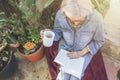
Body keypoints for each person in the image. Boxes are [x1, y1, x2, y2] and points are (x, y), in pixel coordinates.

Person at [40, 0, 108, 80]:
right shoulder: (60, 15)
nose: (75, 24)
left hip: (83, 52)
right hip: (65, 49)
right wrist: (50, 34)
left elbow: (99, 41)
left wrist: (81, 53)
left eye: (80, 21)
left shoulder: (96, 18)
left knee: (75, 77)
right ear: (65, 13)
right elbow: (57, 33)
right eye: (72, 20)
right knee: (63, 76)